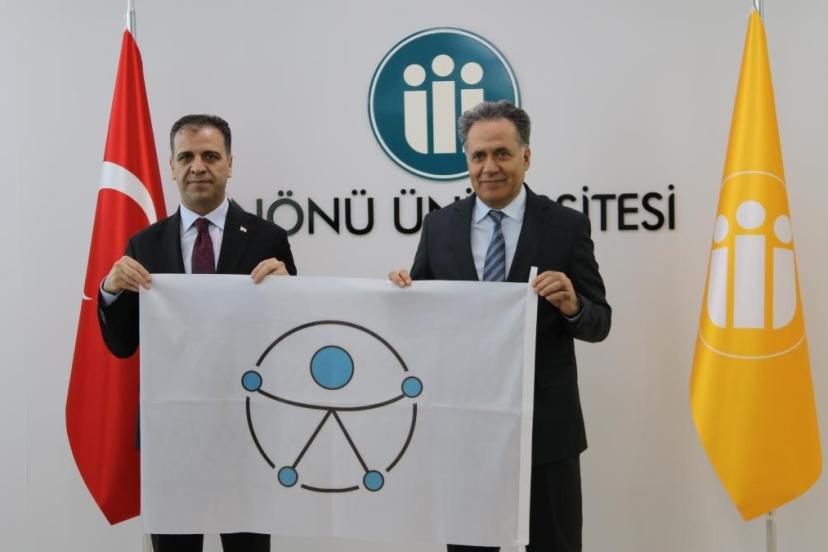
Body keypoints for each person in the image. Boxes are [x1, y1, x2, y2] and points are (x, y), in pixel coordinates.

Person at [389, 100, 611, 552]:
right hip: (465, 432)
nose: (489, 167)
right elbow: (420, 324)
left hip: (547, 433)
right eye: (479, 156)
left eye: (502, 154)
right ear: (467, 162)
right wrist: (401, 294)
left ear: (526, 157)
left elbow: (599, 323)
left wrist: (572, 306)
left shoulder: (566, 226)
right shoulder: (439, 227)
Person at [98, 114, 296, 552]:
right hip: (171, 435)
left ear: (230, 163)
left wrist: (290, 293)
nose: (198, 167)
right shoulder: (144, 244)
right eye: (186, 157)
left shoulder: (268, 239)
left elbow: (291, 344)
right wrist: (110, 291)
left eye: (210, 156)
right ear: (171, 166)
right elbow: (122, 344)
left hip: (247, 432)